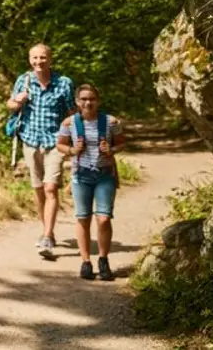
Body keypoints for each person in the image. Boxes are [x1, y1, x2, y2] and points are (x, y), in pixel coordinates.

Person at [6, 44, 76, 258]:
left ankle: (47, 235)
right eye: (35, 58)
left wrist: (74, 136)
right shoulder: (24, 81)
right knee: (38, 188)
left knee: (50, 187)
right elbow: (10, 105)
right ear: (30, 60)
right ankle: (47, 230)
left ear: (50, 59)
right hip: (30, 140)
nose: (39, 61)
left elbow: (72, 111)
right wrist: (17, 101)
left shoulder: (63, 83)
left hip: (55, 142)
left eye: (43, 57)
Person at [56, 84, 126, 281]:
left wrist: (111, 150)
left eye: (92, 99)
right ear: (78, 102)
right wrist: (72, 150)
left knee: (103, 218)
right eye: (84, 99)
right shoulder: (69, 123)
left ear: (98, 101)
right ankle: (86, 261)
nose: (88, 103)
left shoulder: (111, 122)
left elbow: (122, 142)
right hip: (81, 176)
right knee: (83, 218)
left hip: (105, 174)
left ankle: (103, 260)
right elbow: (60, 144)